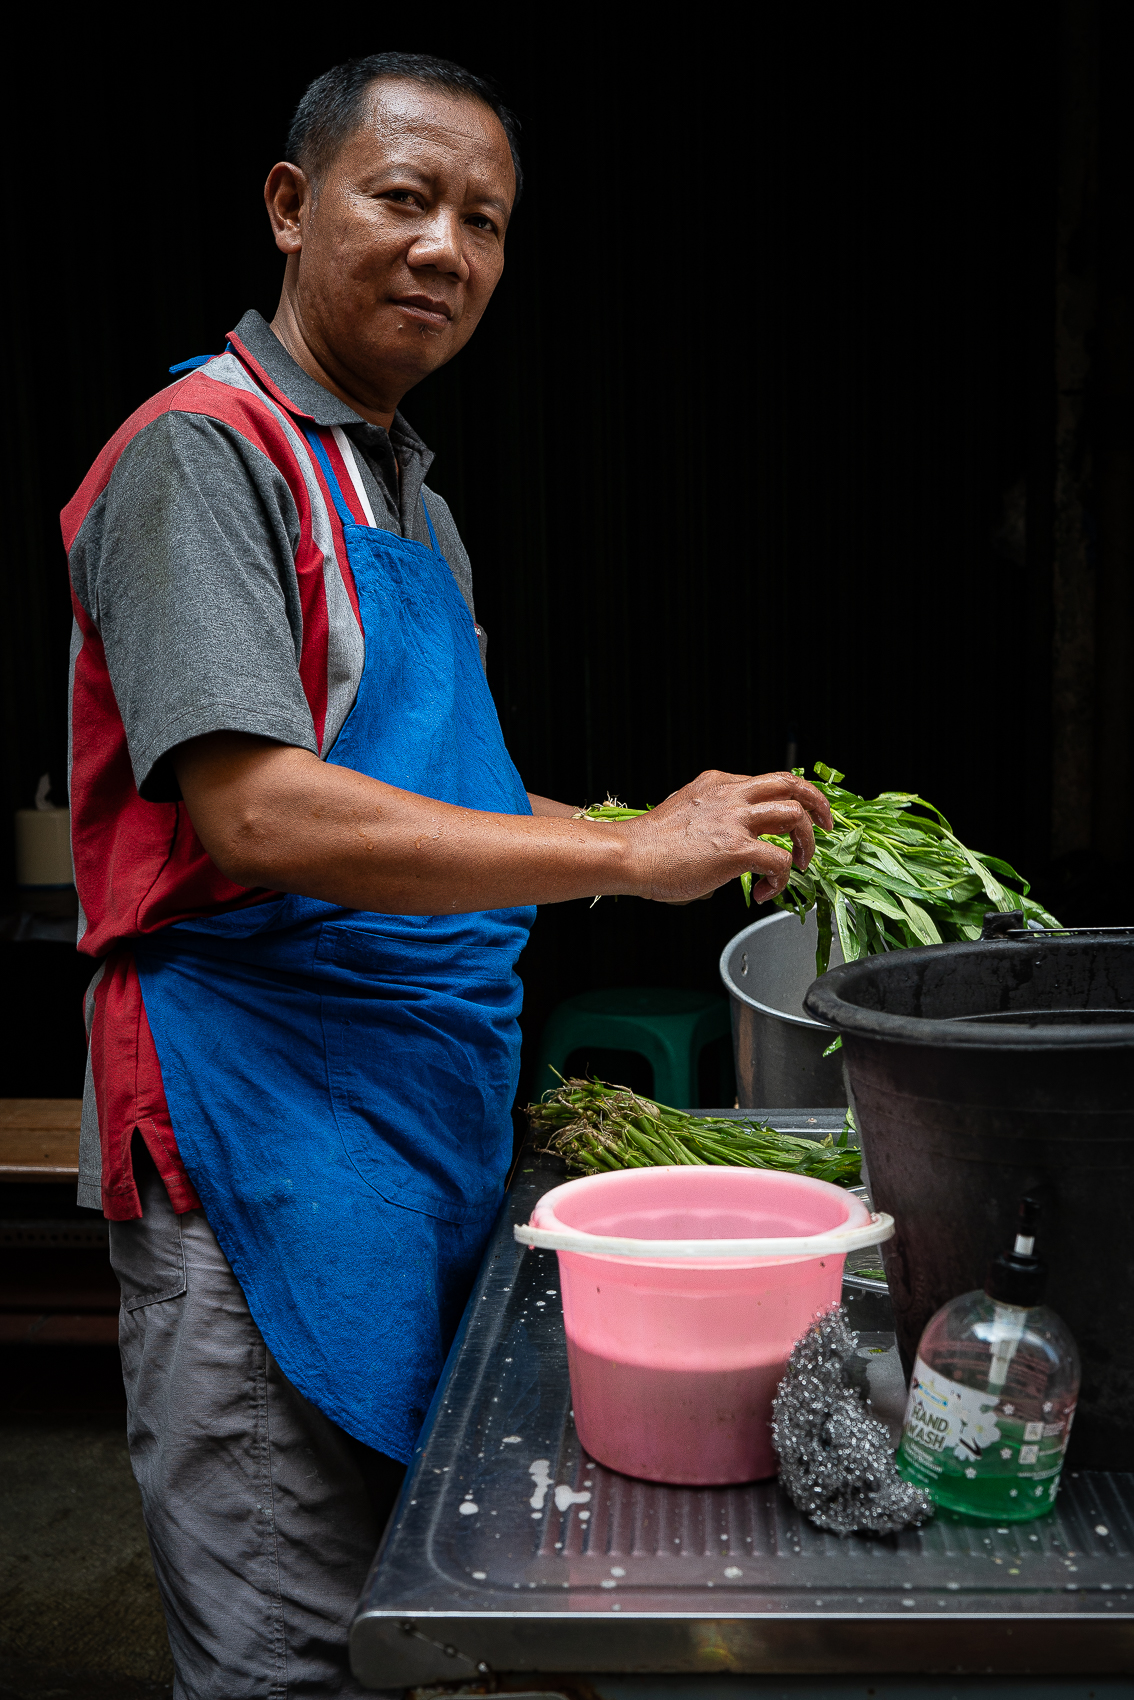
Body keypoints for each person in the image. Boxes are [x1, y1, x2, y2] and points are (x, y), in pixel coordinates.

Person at [63, 50, 832, 1699]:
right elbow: (256, 812)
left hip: (416, 1119)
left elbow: (450, 800)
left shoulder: (410, 498)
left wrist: (673, 823)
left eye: (481, 220)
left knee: (422, 1616)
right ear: (291, 204)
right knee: (288, 1649)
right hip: (254, 1120)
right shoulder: (206, 457)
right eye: (401, 198)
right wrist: (626, 854)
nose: (445, 249)